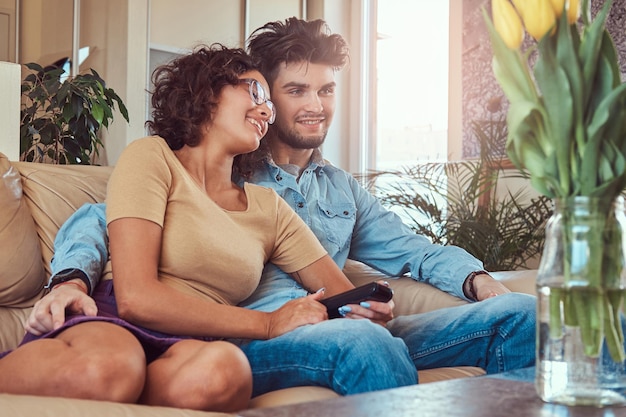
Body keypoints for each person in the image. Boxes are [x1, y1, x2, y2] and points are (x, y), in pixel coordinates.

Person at [25, 18, 536, 396]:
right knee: (364, 344)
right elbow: (97, 223)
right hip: (247, 330)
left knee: (521, 314)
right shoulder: (179, 162)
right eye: (291, 90)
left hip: (325, 325)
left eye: (327, 89)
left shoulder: (321, 194)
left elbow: (403, 256)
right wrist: (71, 277)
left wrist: (469, 283)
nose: (313, 104)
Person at [5, 42, 417, 404]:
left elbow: (346, 294)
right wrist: (269, 322)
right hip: (119, 320)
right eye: (255, 91)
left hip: (197, 341)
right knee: (112, 368)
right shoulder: (153, 158)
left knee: (225, 371)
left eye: (270, 105)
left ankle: (127, 391)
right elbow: (137, 297)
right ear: (206, 93)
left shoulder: (268, 207)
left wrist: (369, 309)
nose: (265, 110)